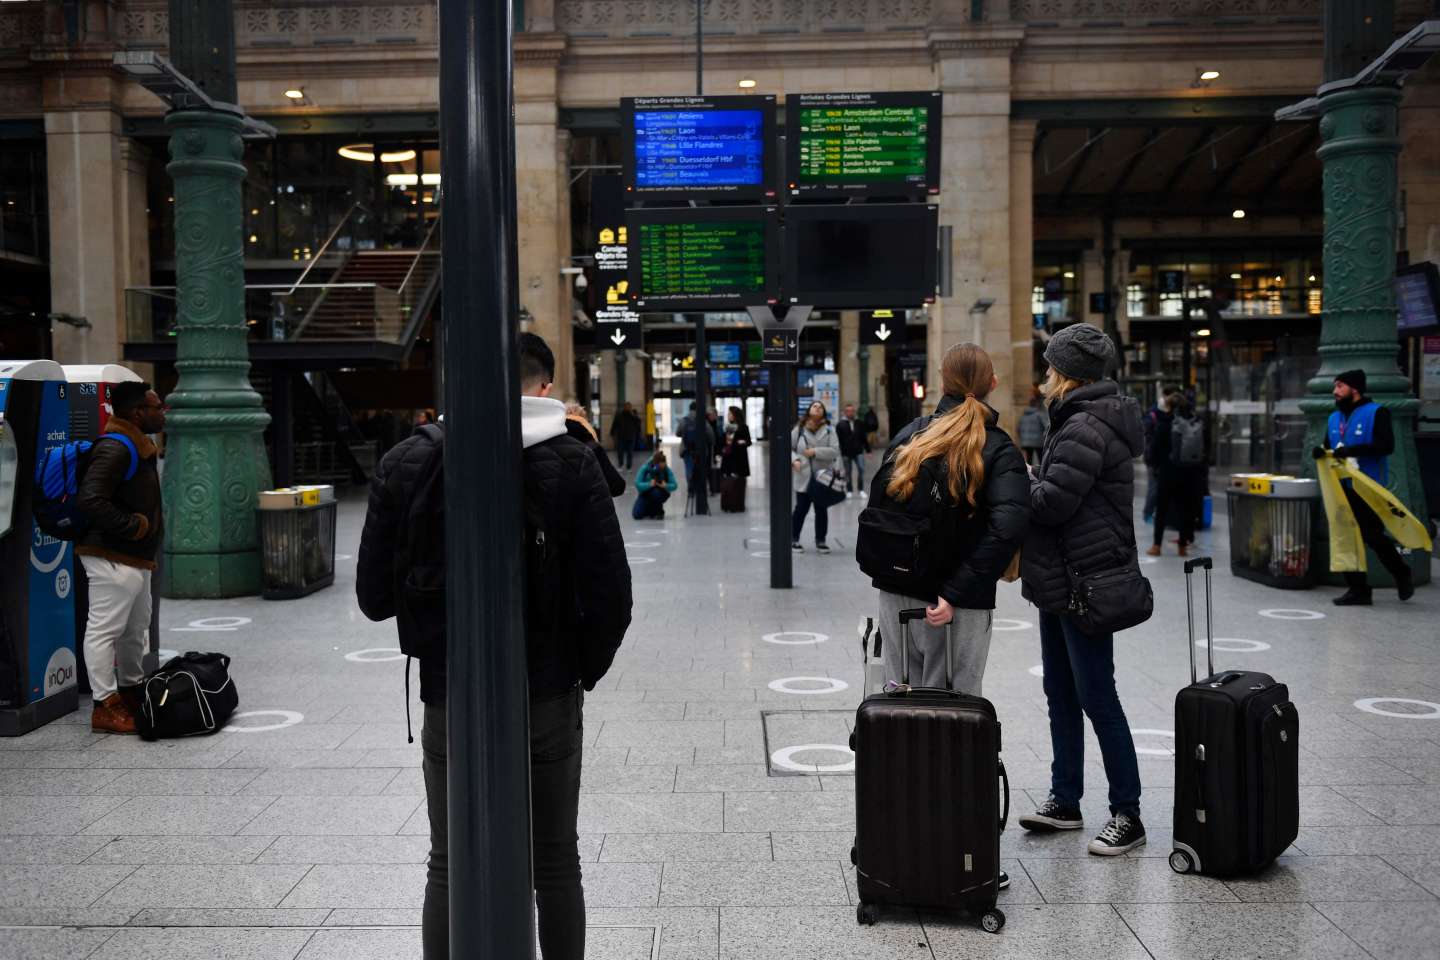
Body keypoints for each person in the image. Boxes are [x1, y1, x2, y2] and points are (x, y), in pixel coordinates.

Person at [358, 332, 632, 960]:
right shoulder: (572, 461)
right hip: (546, 692)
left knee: (448, 860)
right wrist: (574, 673)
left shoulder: (407, 460)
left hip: (447, 693)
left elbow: (374, 598)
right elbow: (613, 595)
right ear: (542, 386)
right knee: (556, 857)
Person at [864, 342, 1029, 890]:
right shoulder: (996, 446)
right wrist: (956, 593)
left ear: (943, 379)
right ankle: (957, 844)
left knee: (900, 715)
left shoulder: (911, 436)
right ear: (987, 383)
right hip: (956, 610)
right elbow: (1007, 526)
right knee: (956, 722)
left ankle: (897, 842)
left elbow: (880, 510)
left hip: (897, 601)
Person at [1018, 323, 1149, 857]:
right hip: (1063, 578)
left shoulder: (1085, 426)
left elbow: (1051, 504)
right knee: (1061, 694)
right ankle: (1066, 799)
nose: (1045, 375)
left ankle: (1128, 811)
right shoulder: (1074, 420)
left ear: (1067, 375)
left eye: (1050, 367)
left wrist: (1021, 481)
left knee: (1097, 695)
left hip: (1087, 580)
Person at [77, 381, 165, 734]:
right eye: (157, 406)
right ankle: (104, 705)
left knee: (135, 628)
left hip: (135, 558)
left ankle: (130, 689)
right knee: (104, 629)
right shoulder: (116, 447)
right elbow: (90, 499)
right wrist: (134, 527)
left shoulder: (136, 444)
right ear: (136, 412)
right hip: (111, 553)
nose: (163, 412)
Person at [1317, 369, 1415, 605]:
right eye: (1335, 386)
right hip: (1340, 488)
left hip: (1368, 486)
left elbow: (1386, 446)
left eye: (1340, 386)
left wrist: (1353, 451)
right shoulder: (1334, 418)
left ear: (1355, 388)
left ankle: (1401, 572)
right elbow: (1329, 446)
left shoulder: (1377, 413)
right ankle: (1358, 589)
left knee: (1372, 536)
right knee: (1346, 536)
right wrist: (1320, 452)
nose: (1335, 391)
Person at [1147, 390, 1194, 557]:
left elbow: (1155, 449)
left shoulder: (1164, 423)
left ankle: (1157, 545)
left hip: (1166, 471)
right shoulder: (1189, 423)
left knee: (1162, 509)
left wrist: (1154, 465)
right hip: (1186, 471)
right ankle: (1182, 546)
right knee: (1184, 508)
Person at [791, 401, 841, 554]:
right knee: (801, 509)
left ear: (823, 412)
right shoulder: (799, 429)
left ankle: (821, 541)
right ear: (809, 410)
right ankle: (794, 539)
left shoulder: (829, 430)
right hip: (803, 476)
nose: (817, 408)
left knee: (821, 510)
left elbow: (834, 451)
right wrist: (795, 460)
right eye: (814, 406)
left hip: (822, 477)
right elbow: (788, 447)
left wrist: (815, 452)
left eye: (820, 407)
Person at [566, 403, 625, 498]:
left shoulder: (547, 446)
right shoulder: (593, 447)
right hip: (589, 509)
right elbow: (617, 486)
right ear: (585, 422)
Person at [1141, 389, 1177, 523]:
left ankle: (1155, 513)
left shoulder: (1168, 413)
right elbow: (1146, 432)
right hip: (1153, 457)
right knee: (1154, 487)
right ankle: (1147, 513)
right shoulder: (1154, 413)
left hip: (1161, 457)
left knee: (1159, 488)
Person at [719, 406, 751, 513]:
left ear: (736, 415)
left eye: (730, 414)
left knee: (738, 482)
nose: (728, 416)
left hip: (739, 459)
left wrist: (743, 442)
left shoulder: (743, 427)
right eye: (728, 414)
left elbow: (748, 441)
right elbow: (723, 442)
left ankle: (737, 505)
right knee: (727, 482)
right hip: (728, 458)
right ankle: (727, 504)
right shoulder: (727, 428)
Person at [836, 402, 870, 497]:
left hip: (858, 451)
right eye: (848, 411)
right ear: (845, 412)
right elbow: (838, 440)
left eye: (852, 411)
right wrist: (839, 452)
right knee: (848, 472)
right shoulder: (840, 424)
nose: (850, 413)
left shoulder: (859, 423)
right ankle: (849, 490)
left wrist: (868, 450)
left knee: (861, 469)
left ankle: (861, 489)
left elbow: (863, 437)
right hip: (846, 452)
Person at [633, 450, 679, 520]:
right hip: (645, 493)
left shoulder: (666, 469)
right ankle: (650, 510)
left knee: (656, 494)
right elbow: (637, 483)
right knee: (637, 515)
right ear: (656, 464)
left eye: (664, 465)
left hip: (660, 493)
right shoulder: (645, 468)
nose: (661, 468)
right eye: (660, 467)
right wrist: (649, 484)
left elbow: (674, 485)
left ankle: (657, 510)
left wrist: (666, 485)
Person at [609, 401, 641, 471]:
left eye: (629, 407)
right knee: (620, 452)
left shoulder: (633, 414)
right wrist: (612, 432)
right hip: (621, 437)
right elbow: (615, 423)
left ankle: (629, 467)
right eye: (626, 407)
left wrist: (632, 415)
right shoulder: (619, 414)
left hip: (631, 437)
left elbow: (638, 423)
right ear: (624, 407)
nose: (628, 408)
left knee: (630, 453)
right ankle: (621, 465)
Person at [1017, 391, 1047, 465]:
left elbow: (1018, 428)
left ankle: (1030, 473)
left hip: (1026, 441)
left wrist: (1022, 438)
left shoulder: (1024, 416)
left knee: (1029, 459)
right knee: (1040, 459)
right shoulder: (1039, 415)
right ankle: (1040, 473)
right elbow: (1046, 426)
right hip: (1038, 441)